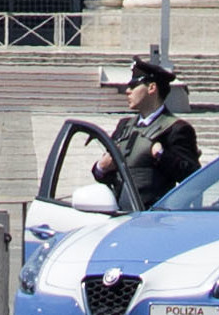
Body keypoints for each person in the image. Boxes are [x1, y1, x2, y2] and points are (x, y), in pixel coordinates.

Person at [84, 56, 197, 211]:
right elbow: (109, 174)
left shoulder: (176, 129)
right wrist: (101, 168)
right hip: (119, 216)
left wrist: (162, 156)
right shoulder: (125, 126)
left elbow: (192, 177)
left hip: (154, 219)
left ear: (151, 88)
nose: (127, 91)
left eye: (134, 86)